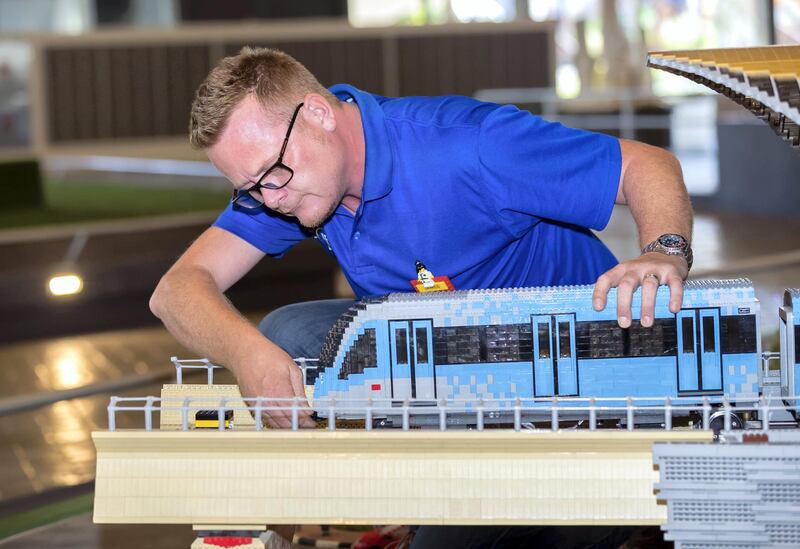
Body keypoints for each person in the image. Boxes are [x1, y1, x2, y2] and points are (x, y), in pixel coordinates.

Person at [149, 46, 692, 547]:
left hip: (580, 386)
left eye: (272, 172)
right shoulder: (296, 186)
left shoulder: (467, 146)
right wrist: (245, 353)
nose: (271, 198)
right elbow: (177, 289)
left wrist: (664, 250)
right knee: (281, 336)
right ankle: (419, 470)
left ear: (317, 113)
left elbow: (645, 165)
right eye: (250, 188)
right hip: (458, 375)